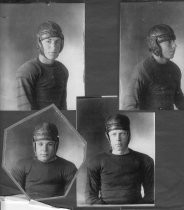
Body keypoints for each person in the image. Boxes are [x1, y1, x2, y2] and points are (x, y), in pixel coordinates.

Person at [85, 114, 154, 205]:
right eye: (114, 134)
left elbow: (151, 195)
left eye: (122, 134)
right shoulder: (96, 162)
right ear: (108, 136)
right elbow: (90, 197)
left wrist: (137, 208)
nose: (118, 139)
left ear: (128, 135)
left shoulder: (145, 160)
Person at [123, 24, 184, 110]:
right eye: (169, 42)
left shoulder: (175, 70)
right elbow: (129, 107)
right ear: (155, 45)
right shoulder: (141, 70)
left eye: (174, 41)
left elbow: (179, 100)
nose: (174, 46)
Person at [11, 122, 77, 199]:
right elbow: (14, 197)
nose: (44, 150)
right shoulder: (21, 165)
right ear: (34, 144)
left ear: (56, 145)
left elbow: (71, 199)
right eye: (40, 144)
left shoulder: (69, 167)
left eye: (49, 144)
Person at [16, 21, 69, 110]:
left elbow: (63, 109)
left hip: (56, 123)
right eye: (48, 41)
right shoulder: (27, 70)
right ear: (39, 44)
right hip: (34, 123)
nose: (53, 47)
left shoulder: (62, 70)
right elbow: (25, 114)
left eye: (57, 42)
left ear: (62, 44)